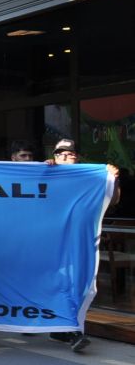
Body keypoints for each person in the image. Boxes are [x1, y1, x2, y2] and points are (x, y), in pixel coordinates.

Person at [47, 139, 121, 352]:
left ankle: (71, 330)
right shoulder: (46, 172)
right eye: (60, 153)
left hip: (78, 243)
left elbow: (113, 199)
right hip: (49, 244)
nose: (65, 156)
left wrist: (112, 179)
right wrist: (42, 169)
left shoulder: (91, 176)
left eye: (69, 153)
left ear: (76, 156)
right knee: (57, 284)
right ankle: (60, 328)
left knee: (80, 285)